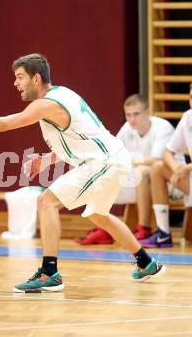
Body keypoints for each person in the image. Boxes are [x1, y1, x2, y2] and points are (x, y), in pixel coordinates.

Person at [0, 53, 165, 292]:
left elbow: (5, 123)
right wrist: (46, 159)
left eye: (20, 77)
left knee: (47, 202)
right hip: (111, 159)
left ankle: (50, 272)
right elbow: (78, 137)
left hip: (104, 163)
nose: (15, 83)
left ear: (36, 79)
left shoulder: (46, 104)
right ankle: (146, 262)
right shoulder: (62, 95)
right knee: (99, 215)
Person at [75, 94, 183, 245]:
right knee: (102, 174)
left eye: (136, 114)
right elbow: (113, 153)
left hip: (171, 182)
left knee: (144, 171)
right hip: (140, 182)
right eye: (128, 115)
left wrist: (131, 162)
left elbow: (157, 160)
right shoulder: (127, 128)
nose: (132, 119)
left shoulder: (162, 127)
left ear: (148, 112)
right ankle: (104, 229)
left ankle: (144, 228)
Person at [141, 81, 192, 248]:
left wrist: (185, 168)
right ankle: (163, 233)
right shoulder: (188, 117)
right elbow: (167, 152)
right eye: (191, 97)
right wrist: (175, 169)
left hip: (191, 172)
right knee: (157, 168)